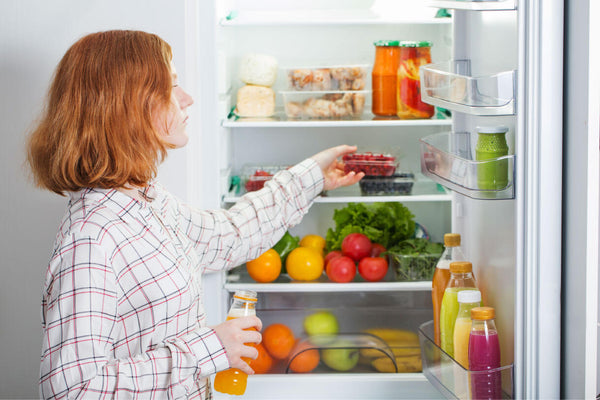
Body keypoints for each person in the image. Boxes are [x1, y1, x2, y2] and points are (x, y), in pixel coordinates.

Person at [26, 30, 363, 399]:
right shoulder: (92, 239)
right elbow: (72, 390)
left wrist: (314, 173)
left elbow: (230, 234)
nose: (187, 99)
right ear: (128, 106)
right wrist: (209, 349)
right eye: (171, 87)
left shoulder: (147, 202)